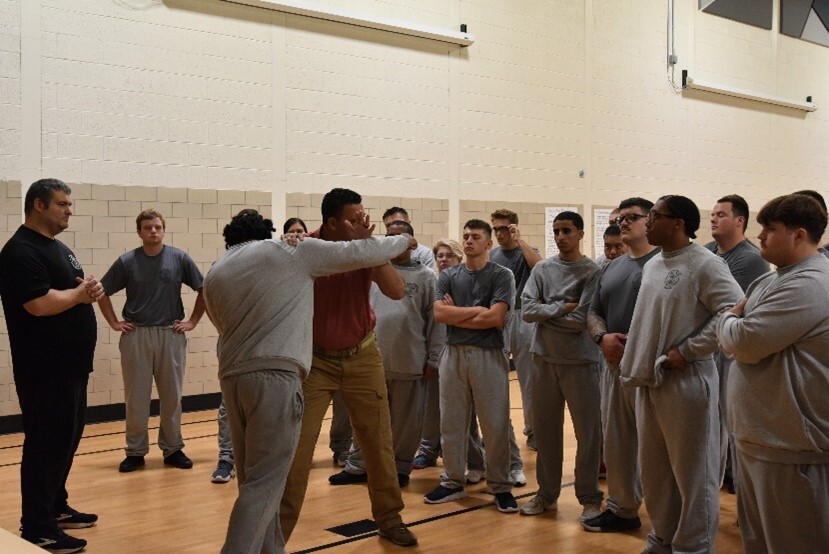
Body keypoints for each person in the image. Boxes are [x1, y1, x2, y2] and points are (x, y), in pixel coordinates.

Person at [203, 209, 416, 554]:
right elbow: (359, 252)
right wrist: (405, 239)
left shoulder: (216, 270)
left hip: (232, 380)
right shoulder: (286, 251)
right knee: (264, 485)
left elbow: (218, 323)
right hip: (275, 378)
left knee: (255, 482)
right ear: (266, 233)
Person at [279, 188, 418, 548]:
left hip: (362, 355)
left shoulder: (363, 248)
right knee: (297, 450)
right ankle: (277, 533)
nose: (362, 222)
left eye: (363, 216)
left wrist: (369, 245)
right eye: (354, 218)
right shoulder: (305, 249)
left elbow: (397, 290)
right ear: (330, 223)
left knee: (378, 444)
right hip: (315, 361)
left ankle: (389, 519)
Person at [620, 195, 743, 554]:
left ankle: (693, 547)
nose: (648, 222)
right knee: (656, 474)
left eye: (655, 216)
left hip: (687, 384)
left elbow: (732, 310)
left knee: (694, 476)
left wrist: (688, 351)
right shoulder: (655, 263)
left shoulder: (706, 264)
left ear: (678, 223)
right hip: (649, 383)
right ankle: (662, 539)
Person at [717, 193, 829, 554]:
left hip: (791, 446)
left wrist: (728, 317)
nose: (760, 235)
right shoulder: (772, 280)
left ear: (798, 235)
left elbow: (744, 341)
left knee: (792, 543)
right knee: (758, 541)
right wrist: (733, 321)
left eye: (770, 229)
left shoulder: (811, 284)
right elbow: (734, 336)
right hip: (758, 437)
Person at [0, 179, 103, 553]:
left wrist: (87, 291)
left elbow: (70, 290)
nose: (69, 210)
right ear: (39, 205)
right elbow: (38, 304)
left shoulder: (56, 247)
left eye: (70, 204)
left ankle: (55, 506)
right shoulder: (20, 251)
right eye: (62, 204)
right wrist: (78, 295)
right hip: (45, 369)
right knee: (46, 445)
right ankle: (37, 527)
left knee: (65, 441)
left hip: (70, 366)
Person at [329, 221, 442, 487]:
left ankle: (400, 467)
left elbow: (436, 323)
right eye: (387, 236)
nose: (391, 242)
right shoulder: (373, 271)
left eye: (398, 237)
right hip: (371, 360)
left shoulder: (426, 277)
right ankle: (358, 465)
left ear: (411, 242)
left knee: (406, 422)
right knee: (366, 418)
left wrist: (433, 359)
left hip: (410, 361)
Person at [97, 209, 206, 472]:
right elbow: (101, 291)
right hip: (137, 335)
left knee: (172, 396)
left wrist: (192, 321)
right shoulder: (127, 261)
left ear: (163, 230)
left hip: (171, 333)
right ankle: (135, 451)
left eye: (157, 227)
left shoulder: (179, 258)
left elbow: (204, 289)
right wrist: (114, 323)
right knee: (137, 398)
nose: (153, 231)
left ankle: (172, 449)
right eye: (148, 227)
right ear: (139, 232)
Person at [423, 220, 519, 514]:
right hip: (453, 353)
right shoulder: (449, 275)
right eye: (465, 236)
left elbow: (495, 318)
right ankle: (452, 480)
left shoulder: (502, 275)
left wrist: (459, 314)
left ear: (488, 243)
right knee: (451, 421)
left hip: (488, 355)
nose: (468, 241)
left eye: (475, 237)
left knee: (495, 423)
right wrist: (478, 310)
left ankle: (501, 486)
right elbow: (439, 314)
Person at [211, 217, 310, 484]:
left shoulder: (221, 268)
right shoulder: (263, 261)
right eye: (293, 233)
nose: (298, 237)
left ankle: (234, 461)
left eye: (302, 233)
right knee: (262, 478)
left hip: (244, 364)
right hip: (257, 364)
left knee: (255, 470)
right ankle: (226, 458)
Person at [519, 211, 604, 521]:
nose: (560, 236)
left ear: (580, 233)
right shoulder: (542, 269)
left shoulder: (591, 272)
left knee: (588, 434)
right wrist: (559, 308)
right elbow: (527, 310)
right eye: (556, 230)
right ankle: (546, 494)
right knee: (545, 433)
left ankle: (589, 497)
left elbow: (582, 319)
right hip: (543, 360)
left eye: (566, 230)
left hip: (580, 363)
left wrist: (547, 313)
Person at [583, 198, 659, 533]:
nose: (623, 223)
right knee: (617, 442)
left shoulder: (665, 263)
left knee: (657, 448)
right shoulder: (612, 267)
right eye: (620, 218)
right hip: (614, 366)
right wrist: (602, 339)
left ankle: (667, 520)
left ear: (651, 221)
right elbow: (592, 312)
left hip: (655, 372)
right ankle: (623, 509)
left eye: (632, 218)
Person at [705, 194, 770, 494]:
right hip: (707, 347)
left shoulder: (751, 258)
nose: (714, 218)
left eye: (721, 214)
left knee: (728, 417)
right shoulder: (706, 252)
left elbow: (733, 307)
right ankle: (723, 473)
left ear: (740, 220)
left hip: (729, 350)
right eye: (713, 214)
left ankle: (733, 475)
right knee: (712, 421)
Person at [413, 240, 487, 477]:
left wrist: (455, 314)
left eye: (448, 256)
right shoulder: (436, 285)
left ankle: (477, 462)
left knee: (469, 417)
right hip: (439, 355)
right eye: (439, 256)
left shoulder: (468, 283)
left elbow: (482, 318)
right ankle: (434, 451)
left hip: (468, 353)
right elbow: (438, 319)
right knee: (436, 411)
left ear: (458, 258)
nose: (443, 260)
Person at [490, 208, 541, 455]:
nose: (499, 233)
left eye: (504, 228)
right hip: (498, 315)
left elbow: (541, 269)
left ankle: (534, 430)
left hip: (524, 317)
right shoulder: (492, 255)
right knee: (494, 375)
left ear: (513, 227)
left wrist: (520, 240)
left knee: (528, 378)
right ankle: (497, 430)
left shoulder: (526, 252)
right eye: (496, 229)